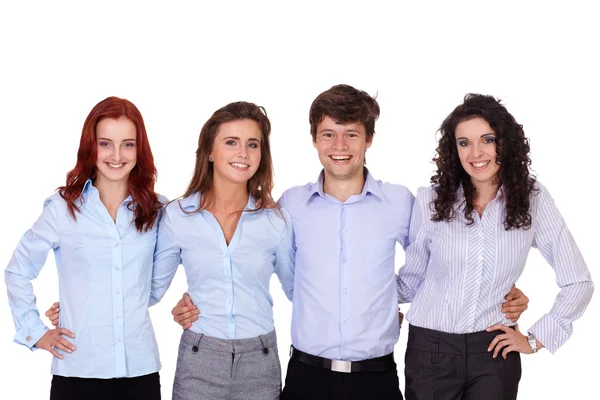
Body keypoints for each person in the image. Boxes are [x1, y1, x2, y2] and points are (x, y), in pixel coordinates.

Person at [172, 84, 529, 400]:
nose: (339, 146)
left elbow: (444, 255)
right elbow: (259, 263)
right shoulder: (290, 206)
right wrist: (200, 300)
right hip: (306, 377)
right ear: (314, 139)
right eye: (328, 134)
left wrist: (499, 288)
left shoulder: (400, 202)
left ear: (369, 139)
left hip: (376, 379)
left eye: (351, 134)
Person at [397, 94, 594, 399]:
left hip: (493, 351)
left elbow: (578, 281)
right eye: (464, 143)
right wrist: (365, 300)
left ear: (505, 143)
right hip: (430, 351)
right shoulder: (430, 200)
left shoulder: (533, 199)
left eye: (487, 140)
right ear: (454, 150)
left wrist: (535, 339)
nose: (476, 152)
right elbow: (412, 281)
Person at [5, 97, 164, 400]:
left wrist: (86, 302)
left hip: (140, 374)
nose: (116, 155)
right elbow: (18, 271)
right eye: (106, 144)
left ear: (139, 149)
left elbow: (155, 284)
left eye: (128, 144)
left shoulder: (158, 210)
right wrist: (35, 332)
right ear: (91, 147)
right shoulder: (62, 209)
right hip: (77, 374)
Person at [149, 101, 295, 400]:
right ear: (210, 152)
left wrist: (372, 312)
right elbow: (149, 290)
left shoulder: (275, 220)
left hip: (260, 360)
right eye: (231, 142)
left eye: (252, 144)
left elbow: (299, 291)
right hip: (200, 357)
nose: (243, 153)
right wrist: (81, 305)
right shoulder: (178, 216)